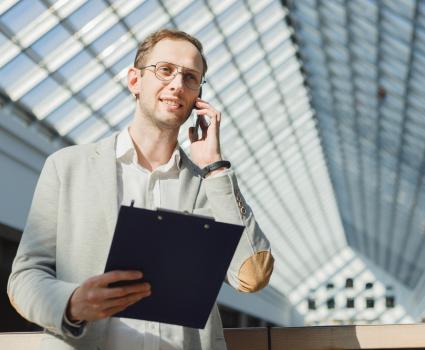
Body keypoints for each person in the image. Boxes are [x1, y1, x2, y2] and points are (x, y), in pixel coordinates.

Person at [8, 29, 274, 350]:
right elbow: (25, 276)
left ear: (197, 97)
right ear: (135, 81)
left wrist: (215, 167)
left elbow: (253, 276)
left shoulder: (210, 186)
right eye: (165, 70)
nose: (177, 84)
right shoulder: (68, 167)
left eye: (191, 77)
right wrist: (73, 303)